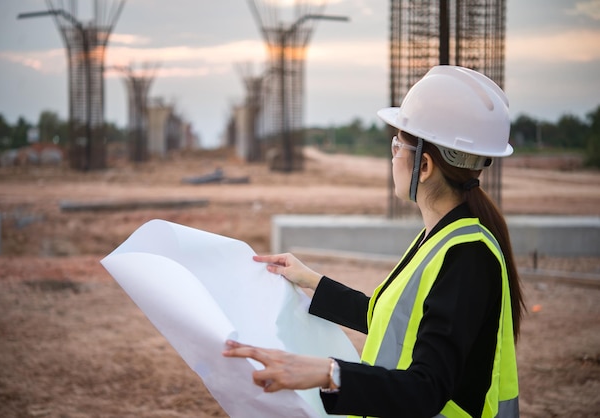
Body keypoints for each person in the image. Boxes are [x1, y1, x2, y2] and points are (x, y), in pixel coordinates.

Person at [223, 65, 525, 418]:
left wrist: (329, 373)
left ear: (423, 166)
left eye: (398, 145)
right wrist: (311, 281)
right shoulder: (443, 238)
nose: (393, 154)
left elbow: (429, 388)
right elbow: (391, 320)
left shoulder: (468, 258)